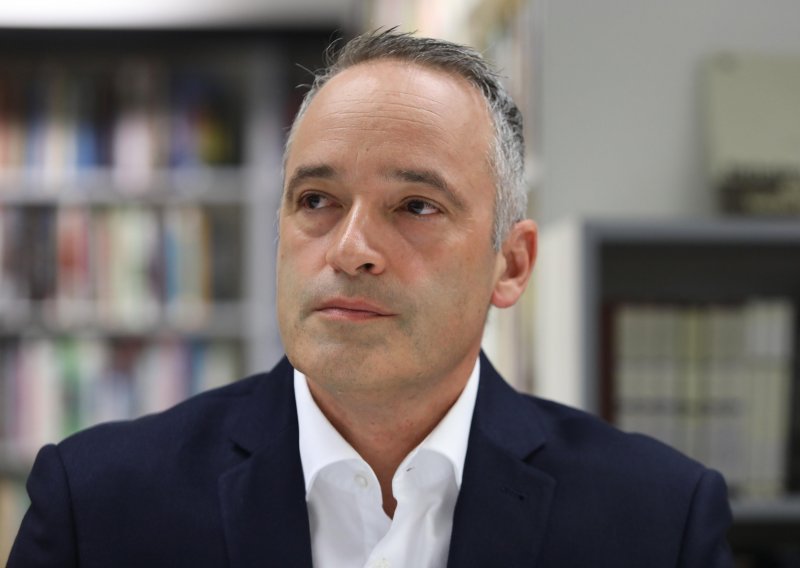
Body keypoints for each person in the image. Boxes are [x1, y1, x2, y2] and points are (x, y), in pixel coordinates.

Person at [8, 30, 733, 567]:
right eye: (316, 200)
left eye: (415, 206)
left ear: (511, 265)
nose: (350, 248)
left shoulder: (657, 520)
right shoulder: (96, 505)